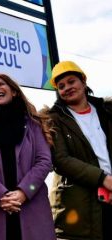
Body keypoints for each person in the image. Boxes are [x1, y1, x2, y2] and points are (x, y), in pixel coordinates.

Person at [0, 73, 56, 240]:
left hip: (31, 204)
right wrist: (0, 196)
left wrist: (24, 192)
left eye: (1, 84)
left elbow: (44, 161)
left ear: (14, 91)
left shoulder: (33, 123)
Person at [46, 60, 112, 239]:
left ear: (83, 82)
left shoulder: (106, 111)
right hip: (80, 202)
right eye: (61, 86)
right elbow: (61, 159)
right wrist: (102, 178)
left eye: (71, 81)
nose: (67, 87)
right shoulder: (54, 119)